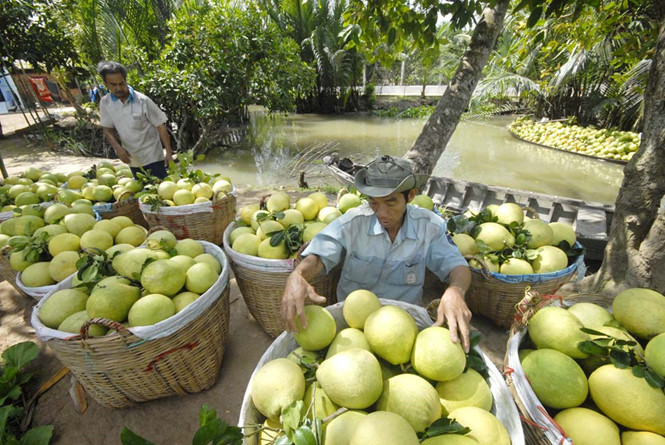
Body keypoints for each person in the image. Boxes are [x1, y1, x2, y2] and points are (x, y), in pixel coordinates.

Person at [281, 155, 473, 351]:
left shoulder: (429, 227)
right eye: (374, 203)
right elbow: (318, 256)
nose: (381, 213)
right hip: (352, 327)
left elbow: (456, 266)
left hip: (401, 329)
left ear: (411, 195)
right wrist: (298, 275)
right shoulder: (352, 223)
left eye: (390, 203)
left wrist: (456, 290)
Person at [97, 61, 173, 179]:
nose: (118, 88)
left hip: (153, 156)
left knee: (161, 189)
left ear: (125, 80)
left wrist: (168, 153)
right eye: (113, 85)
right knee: (142, 191)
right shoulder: (105, 103)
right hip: (132, 159)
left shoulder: (143, 100)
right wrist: (118, 147)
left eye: (121, 83)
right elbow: (108, 130)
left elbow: (161, 127)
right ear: (106, 84)